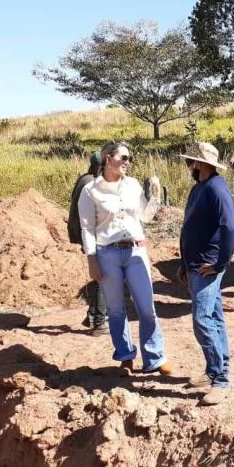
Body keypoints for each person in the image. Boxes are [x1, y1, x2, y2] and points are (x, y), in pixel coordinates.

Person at [78, 141, 170, 374]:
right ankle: (125, 356)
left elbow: (145, 217)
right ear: (108, 159)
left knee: (146, 305)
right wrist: (92, 260)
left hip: (135, 249)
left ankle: (155, 357)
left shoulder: (133, 185)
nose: (128, 162)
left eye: (129, 158)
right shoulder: (91, 191)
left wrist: (155, 199)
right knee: (116, 308)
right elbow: (87, 228)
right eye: (124, 157)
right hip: (107, 252)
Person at [177, 141, 234, 407]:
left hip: (207, 266)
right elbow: (190, 227)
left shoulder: (217, 188)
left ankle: (220, 380)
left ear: (200, 163)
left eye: (191, 161)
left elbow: (230, 228)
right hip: (194, 264)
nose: (189, 165)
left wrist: (220, 262)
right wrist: (183, 262)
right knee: (214, 316)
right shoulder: (198, 188)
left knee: (202, 320)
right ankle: (214, 370)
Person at [68, 151, 108, 336]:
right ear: (101, 166)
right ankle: (99, 323)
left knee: (100, 275)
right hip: (91, 235)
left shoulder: (83, 178)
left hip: (82, 233)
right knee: (103, 278)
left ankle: (92, 315)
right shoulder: (91, 183)